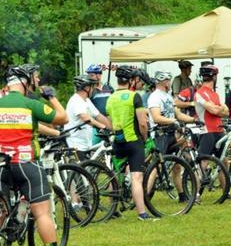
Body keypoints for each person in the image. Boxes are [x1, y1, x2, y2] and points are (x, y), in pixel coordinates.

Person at [0, 65, 69, 246]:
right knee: (42, 212)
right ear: (25, 81)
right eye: (35, 78)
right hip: (25, 162)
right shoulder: (29, 103)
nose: (37, 81)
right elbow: (63, 118)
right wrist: (50, 97)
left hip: (1, 165)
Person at [105, 65, 155, 221]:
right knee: (136, 178)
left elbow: (110, 120)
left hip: (118, 141)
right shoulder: (135, 97)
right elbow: (142, 123)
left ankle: (112, 209)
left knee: (114, 175)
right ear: (132, 80)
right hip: (133, 141)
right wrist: (145, 137)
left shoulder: (110, 97)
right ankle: (142, 213)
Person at [148, 70, 196, 203]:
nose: (169, 83)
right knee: (155, 168)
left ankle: (182, 196)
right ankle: (144, 197)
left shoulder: (168, 96)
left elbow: (178, 114)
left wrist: (193, 120)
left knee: (177, 166)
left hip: (170, 134)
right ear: (162, 82)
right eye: (168, 81)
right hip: (160, 135)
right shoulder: (155, 97)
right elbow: (157, 117)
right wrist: (174, 122)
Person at [64, 75, 111, 160]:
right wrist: (102, 127)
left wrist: (111, 129)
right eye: (92, 87)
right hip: (76, 144)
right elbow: (86, 118)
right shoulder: (76, 100)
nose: (93, 89)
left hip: (85, 144)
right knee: (80, 172)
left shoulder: (86, 100)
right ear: (86, 88)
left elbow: (98, 116)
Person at [194, 64, 229, 158]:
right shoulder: (200, 93)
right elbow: (214, 110)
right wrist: (218, 109)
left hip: (220, 130)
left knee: (223, 162)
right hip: (207, 131)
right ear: (214, 77)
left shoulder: (215, 94)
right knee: (203, 162)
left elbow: (227, 112)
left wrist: (217, 109)